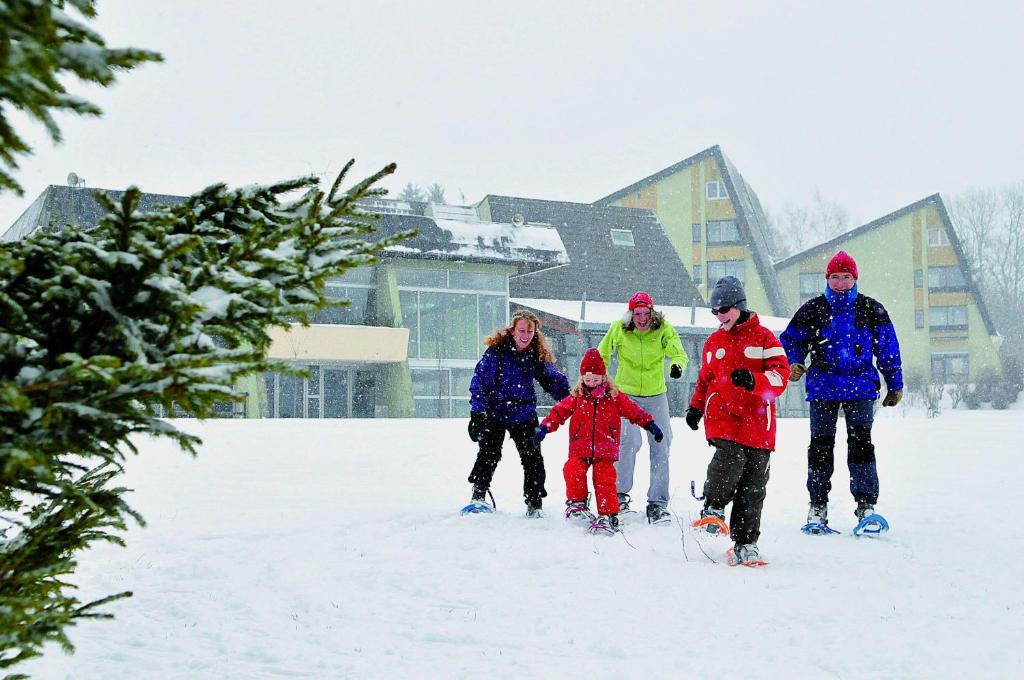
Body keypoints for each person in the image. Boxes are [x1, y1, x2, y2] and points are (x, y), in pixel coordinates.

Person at [780, 251, 903, 531]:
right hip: (823, 388)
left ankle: (865, 505)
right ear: (827, 279)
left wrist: (895, 383)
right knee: (820, 448)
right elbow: (790, 340)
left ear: (855, 278)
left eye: (846, 277)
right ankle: (817, 505)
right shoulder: (813, 310)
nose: (840, 283)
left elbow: (888, 348)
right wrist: (794, 362)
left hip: (860, 389)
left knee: (861, 447)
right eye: (835, 277)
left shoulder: (872, 310)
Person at [686, 276, 790, 565]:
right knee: (730, 456)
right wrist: (695, 408)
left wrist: (754, 380)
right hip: (723, 416)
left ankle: (745, 543)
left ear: (740, 305)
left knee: (754, 483)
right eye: (715, 312)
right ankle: (713, 507)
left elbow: (780, 377)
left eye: (725, 310)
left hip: (757, 421)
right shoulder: (714, 342)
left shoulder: (766, 338)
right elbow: (705, 379)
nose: (720, 317)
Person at [535, 348, 664, 533]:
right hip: (580, 447)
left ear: (603, 377)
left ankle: (608, 515)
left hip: (605, 449)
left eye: (596, 379)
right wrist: (545, 427)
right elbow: (559, 412)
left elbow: (634, 411)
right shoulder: (577, 397)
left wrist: (650, 425)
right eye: (588, 379)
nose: (592, 383)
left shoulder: (613, 397)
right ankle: (577, 504)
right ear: (582, 379)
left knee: (605, 479)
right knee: (572, 469)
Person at [466, 310, 571, 517]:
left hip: (524, 413)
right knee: (489, 453)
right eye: (521, 330)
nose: (525, 335)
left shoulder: (536, 354)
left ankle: (534, 501)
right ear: (512, 330)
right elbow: (480, 382)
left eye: (529, 331)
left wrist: (570, 399)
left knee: (532, 457)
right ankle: (478, 494)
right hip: (495, 412)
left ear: (535, 332)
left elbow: (551, 380)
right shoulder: (497, 352)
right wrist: (477, 414)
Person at [597, 291, 687, 524]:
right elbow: (601, 354)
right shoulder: (619, 328)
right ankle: (619, 494)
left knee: (661, 442)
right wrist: (598, 378)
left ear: (652, 313)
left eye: (646, 313)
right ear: (631, 315)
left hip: (655, 395)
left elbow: (677, 351)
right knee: (627, 440)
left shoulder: (663, 328)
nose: (642, 318)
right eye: (637, 314)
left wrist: (676, 365)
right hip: (625, 394)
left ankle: (657, 503)